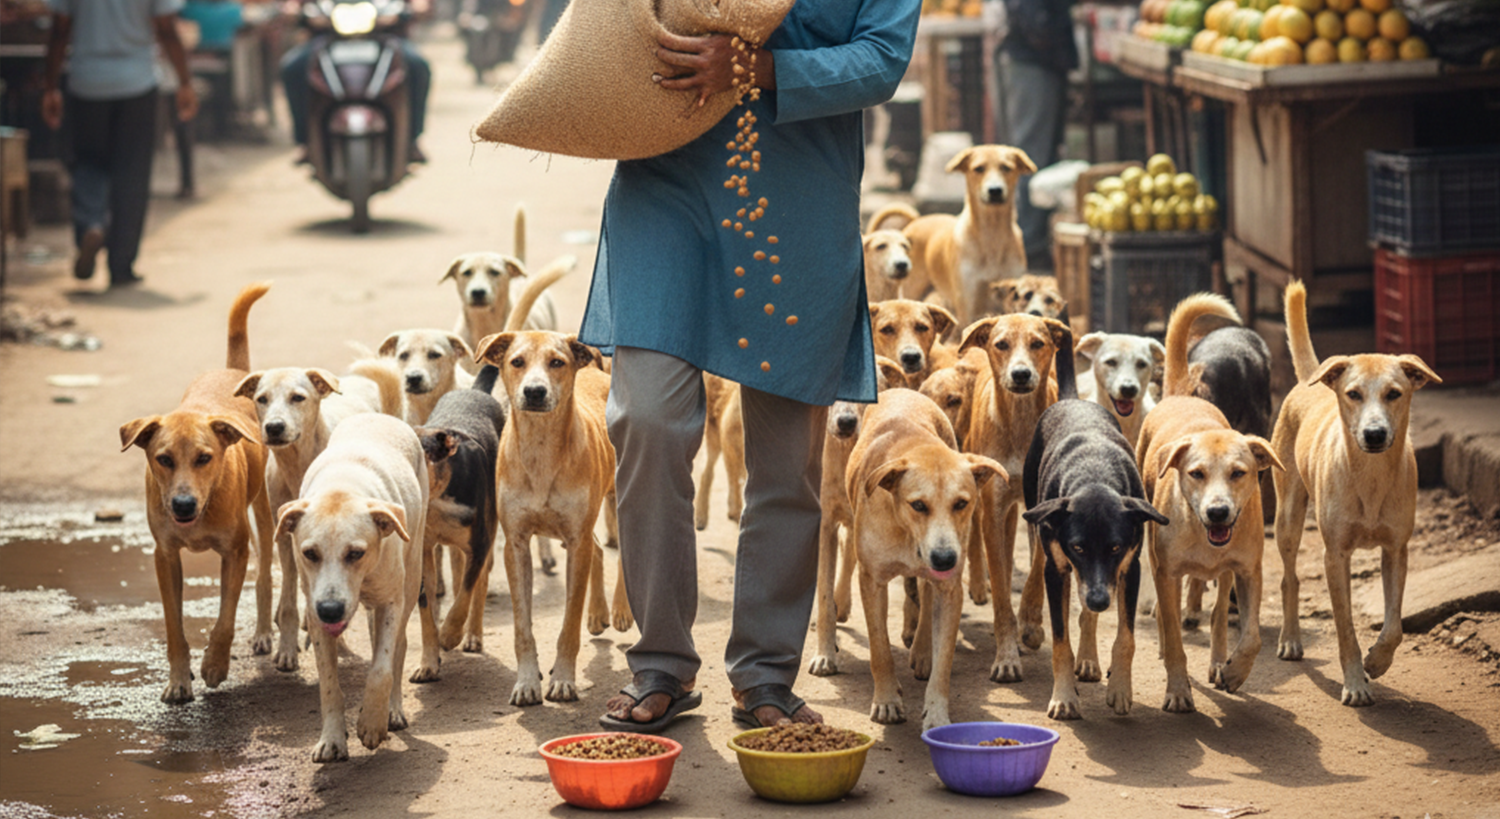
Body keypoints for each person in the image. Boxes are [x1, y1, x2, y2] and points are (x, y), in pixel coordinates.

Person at [581, 0, 919, 732]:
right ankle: (660, 663)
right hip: (666, 179)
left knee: (787, 461)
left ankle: (765, 673)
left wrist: (761, 68)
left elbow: (882, 59)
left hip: (799, 200)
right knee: (646, 416)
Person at [42, 0, 199, 287]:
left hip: (87, 82)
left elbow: (58, 31)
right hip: (137, 83)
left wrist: (50, 87)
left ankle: (90, 224)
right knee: (132, 173)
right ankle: (121, 265)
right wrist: (184, 82)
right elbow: (167, 28)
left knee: (88, 161)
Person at [279, 2, 431, 164]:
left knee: (417, 66)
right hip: (327, 36)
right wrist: (293, 9)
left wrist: (418, 6)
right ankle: (305, 141)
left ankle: (412, 139)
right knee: (292, 69)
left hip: (385, 35)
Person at [996, 0, 1077, 269]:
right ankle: (1028, 244)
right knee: (1031, 155)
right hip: (1032, 61)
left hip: (1039, 60)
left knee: (1040, 152)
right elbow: (1032, 19)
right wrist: (1051, 40)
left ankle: (1033, 240)